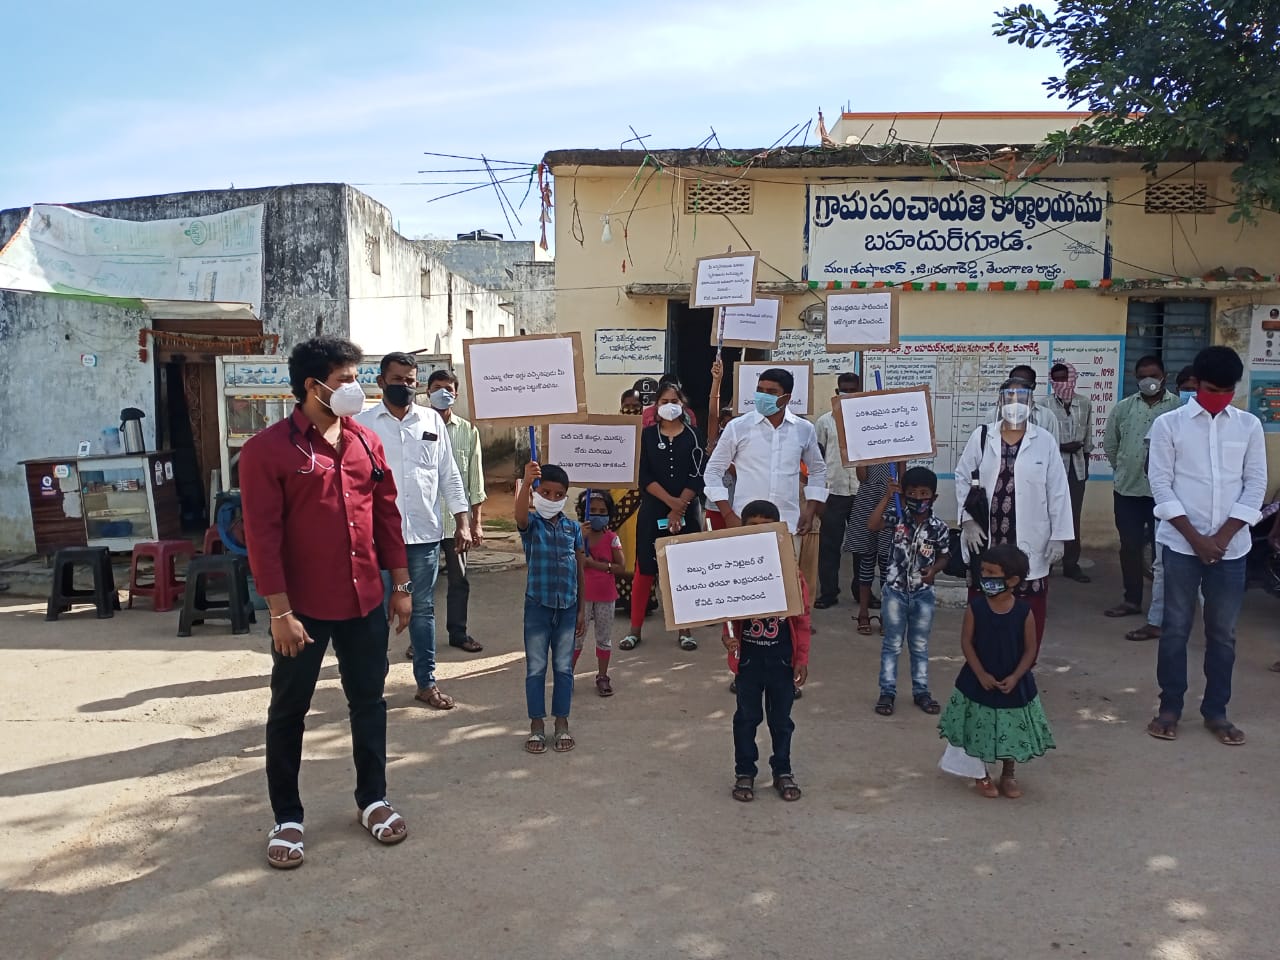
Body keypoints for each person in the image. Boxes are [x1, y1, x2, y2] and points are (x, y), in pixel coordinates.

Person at [240, 337, 411, 869]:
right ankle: (287, 817)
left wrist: (402, 586)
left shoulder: (364, 442)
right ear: (312, 386)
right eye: (344, 380)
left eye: (357, 377)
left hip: (364, 600)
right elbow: (262, 538)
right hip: (301, 611)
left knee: (369, 702)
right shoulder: (267, 451)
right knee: (289, 711)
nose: (355, 389)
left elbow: (387, 515)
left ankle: (373, 799)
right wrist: (279, 612)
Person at [1145, 347, 1265, 746]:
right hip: (1181, 545)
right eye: (1214, 389)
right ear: (1196, 384)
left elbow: (1255, 486)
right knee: (1175, 629)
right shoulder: (1168, 425)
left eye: (1228, 390)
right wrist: (1197, 539)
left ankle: (1216, 711)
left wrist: (1223, 537)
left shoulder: (1248, 426)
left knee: (1223, 634)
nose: (1221, 396)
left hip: (1232, 549)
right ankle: (1170, 707)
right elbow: (1160, 485)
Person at [356, 354, 472, 711]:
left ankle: (427, 683)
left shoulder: (431, 422)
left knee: (422, 611)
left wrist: (463, 520)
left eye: (410, 380)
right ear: (380, 381)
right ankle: (371, 688)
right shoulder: (361, 426)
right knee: (374, 615)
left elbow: (448, 474)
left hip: (423, 537)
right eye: (397, 379)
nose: (404, 386)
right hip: (375, 540)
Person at [955, 379, 1073, 653]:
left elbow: (1058, 491)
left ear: (1032, 404)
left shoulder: (1044, 441)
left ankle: (1023, 662)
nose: (1015, 405)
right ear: (999, 403)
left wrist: (1060, 536)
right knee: (986, 595)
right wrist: (968, 520)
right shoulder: (983, 436)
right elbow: (963, 477)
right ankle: (984, 658)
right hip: (988, 535)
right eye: (1009, 399)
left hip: (1030, 536)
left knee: (1028, 600)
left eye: (1022, 399)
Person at [937, 544, 1056, 799]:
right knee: (978, 728)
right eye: (984, 572)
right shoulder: (976, 608)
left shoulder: (1024, 612)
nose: (986, 578)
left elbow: (1030, 649)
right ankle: (981, 774)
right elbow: (967, 642)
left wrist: (1016, 676)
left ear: (1012, 580)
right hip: (977, 681)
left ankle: (1008, 773)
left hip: (1013, 683)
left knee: (1010, 730)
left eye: (992, 573)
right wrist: (980, 673)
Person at [724, 499, 811, 804]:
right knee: (746, 718)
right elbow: (727, 615)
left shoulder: (790, 572)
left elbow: (801, 620)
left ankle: (783, 770)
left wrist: (801, 658)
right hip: (749, 662)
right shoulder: (733, 570)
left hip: (782, 661)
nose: (759, 533)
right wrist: (729, 640)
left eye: (766, 526)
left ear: (777, 530)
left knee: (781, 720)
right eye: (752, 527)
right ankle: (744, 772)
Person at [619, 381, 705, 651]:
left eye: (675, 401)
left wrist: (681, 507)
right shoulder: (646, 437)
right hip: (654, 510)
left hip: (687, 512)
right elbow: (644, 476)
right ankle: (634, 630)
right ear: (655, 406)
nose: (670, 406)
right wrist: (671, 504)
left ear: (683, 405)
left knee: (683, 571)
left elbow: (697, 474)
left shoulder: (694, 436)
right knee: (645, 569)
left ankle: (685, 631)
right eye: (664, 401)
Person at [704, 367, 828, 545]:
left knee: (788, 573)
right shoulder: (738, 426)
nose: (763, 396)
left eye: (771, 392)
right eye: (760, 390)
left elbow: (818, 470)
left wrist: (809, 511)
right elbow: (713, 471)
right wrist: (728, 514)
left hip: (788, 524)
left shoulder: (804, 429)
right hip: (744, 524)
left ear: (786, 397)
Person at [515, 460, 586, 755]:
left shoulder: (572, 529)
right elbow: (519, 516)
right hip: (538, 608)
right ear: (535, 493)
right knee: (536, 668)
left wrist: (582, 608)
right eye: (545, 492)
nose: (553, 499)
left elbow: (580, 569)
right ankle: (536, 725)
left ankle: (561, 723)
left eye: (559, 494)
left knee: (563, 668)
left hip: (568, 608)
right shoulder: (532, 525)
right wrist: (525, 483)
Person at [1102, 355, 1181, 618]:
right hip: (1128, 490)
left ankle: (1167, 606)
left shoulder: (1178, 408)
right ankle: (1131, 600)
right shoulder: (1123, 408)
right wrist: (1125, 468)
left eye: (1153, 375)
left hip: (1166, 494)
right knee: (1130, 547)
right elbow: (1111, 445)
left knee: (1166, 551)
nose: (1149, 381)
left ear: (1164, 377)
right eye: (1142, 376)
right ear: (1136, 379)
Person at [868, 467, 950, 717]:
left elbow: (944, 557)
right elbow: (872, 525)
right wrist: (887, 496)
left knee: (919, 644)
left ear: (934, 497)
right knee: (892, 644)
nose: (918, 498)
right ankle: (887, 692)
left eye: (924, 493)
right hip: (895, 592)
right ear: (904, 495)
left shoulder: (939, 528)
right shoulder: (897, 518)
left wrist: (934, 570)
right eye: (911, 493)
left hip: (923, 593)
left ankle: (921, 691)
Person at [1126, 366, 1199, 643]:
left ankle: (1214, 629)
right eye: (1186, 387)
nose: (1191, 392)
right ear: (1177, 389)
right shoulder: (1167, 421)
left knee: (1209, 572)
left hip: (1207, 514)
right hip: (1170, 509)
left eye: (1196, 386)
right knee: (1163, 567)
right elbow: (1150, 466)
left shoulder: (1226, 424)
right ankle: (1156, 621)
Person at [425, 369, 486, 654]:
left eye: (448, 388)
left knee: (459, 580)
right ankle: (420, 637)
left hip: (456, 522)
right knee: (422, 583)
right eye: (437, 387)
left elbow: (475, 479)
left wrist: (476, 523)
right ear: (427, 392)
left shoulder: (468, 430)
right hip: (422, 521)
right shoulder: (416, 426)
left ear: (456, 394)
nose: (443, 392)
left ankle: (458, 633)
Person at [814, 372, 863, 609]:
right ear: (836, 393)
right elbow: (816, 459)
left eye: (853, 390)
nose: (849, 394)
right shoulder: (824, 422)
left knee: (862, 546)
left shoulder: (870, 419)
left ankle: (861, 591)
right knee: (829, 546)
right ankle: (828, 592)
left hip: (864, 491)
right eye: (844, 390)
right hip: (834, 490)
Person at [1047, 361, 1094, 582]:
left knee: (1072, 518)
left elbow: (1088, 439)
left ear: (1072, 379)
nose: (1060, 383)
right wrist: (1062, 447)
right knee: (1046, 515)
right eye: (1056, 379)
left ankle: (1071, 564)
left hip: (1077, 469)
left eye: (1064, 378)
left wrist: (1085, 464)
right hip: (1051, 469)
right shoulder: (1044, 405)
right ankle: (1044, 563)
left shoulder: (1084, 404)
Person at [574, 490, 624, 696]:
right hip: (582, 597)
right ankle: (566, 676)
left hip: (605, 596)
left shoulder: (612, 539)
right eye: (592, 510)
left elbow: (621, 567)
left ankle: (603, 676)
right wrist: (579, 544)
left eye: (602, 511)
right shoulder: (576, 536)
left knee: (604, 638)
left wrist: (593, 564)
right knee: (576, 638)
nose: (597, 515)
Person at [842, 461, 901, 636]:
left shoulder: (898, 441)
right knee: (866, 558)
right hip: (867, 497)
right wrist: (862, 454)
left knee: (886, 561)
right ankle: (863, 613)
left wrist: (900, 502)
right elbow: (862, 477)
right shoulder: (867, 444)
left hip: (892, 496)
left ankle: (885, 614)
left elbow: (902, 474)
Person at [611, 390, 647, 615]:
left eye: (636, 405)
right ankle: (617, 597)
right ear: (621, 405)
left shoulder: (650, 434)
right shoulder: (611, 432)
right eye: (627, 405)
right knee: (617, 546)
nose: (631, 409)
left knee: (637, 547)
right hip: (615, 498)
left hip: (639, 500)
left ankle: (642, 599)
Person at [1007, 364, 1063, 446]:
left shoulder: (1047, 416)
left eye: (1024, 384)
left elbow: (1053, 450)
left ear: (1033, 386)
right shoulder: (994, 415)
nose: (1019, 387)